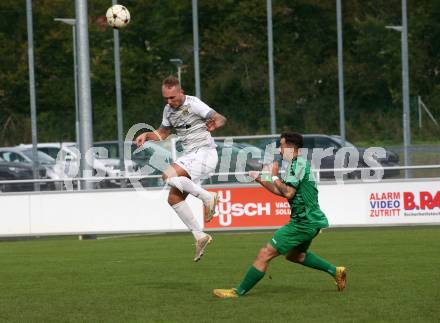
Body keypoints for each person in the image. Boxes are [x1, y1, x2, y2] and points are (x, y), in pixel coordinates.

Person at [213, 132, 346, 298]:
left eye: (281, 146)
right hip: (310, 221)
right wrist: (261, 180)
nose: (279, 150)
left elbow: (288, 192)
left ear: (290, 147)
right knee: (295, 255)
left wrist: (274, 174)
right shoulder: (295, 165)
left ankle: (238, 292)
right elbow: (280, 190)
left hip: (303, 222)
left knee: (265, 253)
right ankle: (336, 271)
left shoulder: (297, 164)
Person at [135, 76, 227, 261]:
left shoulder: (194, 104)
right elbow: (162, 133)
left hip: (204, 153)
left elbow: (220, 118)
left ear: (181, 92)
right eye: (166, 98)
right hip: (191, 156)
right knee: (174, 198)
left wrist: (215, 122)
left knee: (167, 176)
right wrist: (146, 134)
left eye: (172, 97)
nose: (169, 102)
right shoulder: (168, 110)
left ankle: (208, 197)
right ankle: (200, 235)